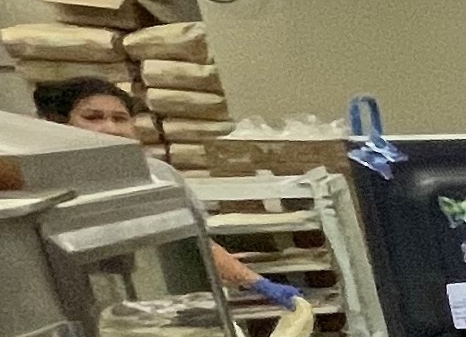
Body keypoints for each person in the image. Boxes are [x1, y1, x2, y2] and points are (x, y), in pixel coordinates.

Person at [33, 74, 292, 306]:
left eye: (120, 118)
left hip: (168, 302)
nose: (110, 128)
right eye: (93, 117)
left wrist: (256, 281)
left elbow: (198, 242)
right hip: (90, 307)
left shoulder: (159, 175)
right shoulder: (45, 187)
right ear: (60, 124)